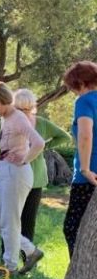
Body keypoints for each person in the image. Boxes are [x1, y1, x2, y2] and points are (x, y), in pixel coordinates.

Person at [0, 88, 70, 259]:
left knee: (25, 221)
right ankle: (15, 256)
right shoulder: (7, 119)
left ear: (32, 107)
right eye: (20, 108)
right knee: (7, 220)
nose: (23, 112)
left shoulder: (41, 123)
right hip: (13, 171)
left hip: (32, 177)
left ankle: (25, 260)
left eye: (27, 109)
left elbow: (61, 138)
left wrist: (38, 151)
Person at [0, 82, 45, 275]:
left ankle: (9, 267)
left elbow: (38, 142)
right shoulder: (4, 118)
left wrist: (24, 159)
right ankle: (31, 250)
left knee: (10, 222)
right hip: (5, 171)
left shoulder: (18, 118)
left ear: (4, 99)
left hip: (17, 174)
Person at [62, 61, 97, 257]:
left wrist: (84, 169)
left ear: (81, 83)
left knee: (73, 228)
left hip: (89, 176)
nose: (74, 92)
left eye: (73, 87)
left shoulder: (84, 102)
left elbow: (85, 135)